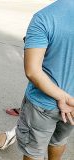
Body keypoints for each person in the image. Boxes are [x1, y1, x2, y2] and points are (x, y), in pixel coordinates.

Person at [16, 0, 74, 159]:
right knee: (59, 140)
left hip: (43, 104)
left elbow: (32, 71)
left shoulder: (44, 17)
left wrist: (63, 97)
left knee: (33, 150)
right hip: (73, 105)